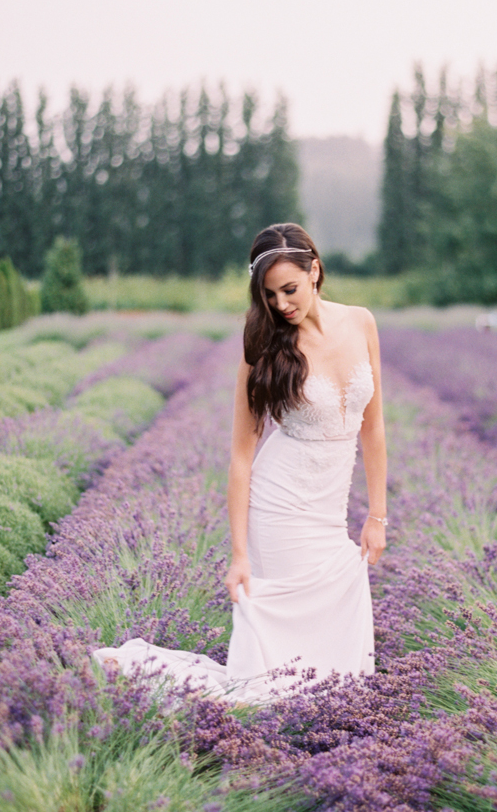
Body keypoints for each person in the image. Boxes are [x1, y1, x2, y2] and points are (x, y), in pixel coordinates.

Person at [91, 222, 387, 701]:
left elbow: (372, 427)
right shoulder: (265, 346)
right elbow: (240, 458)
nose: (281, 305)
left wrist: (377, 515)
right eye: (269, 296)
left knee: (336, 674)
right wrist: (240, 554)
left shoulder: (361, 323)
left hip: (329, 516)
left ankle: (143, 673)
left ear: (315, 270)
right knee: (281, 682)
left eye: (289, 290)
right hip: (279, 510)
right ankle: (133, 671)